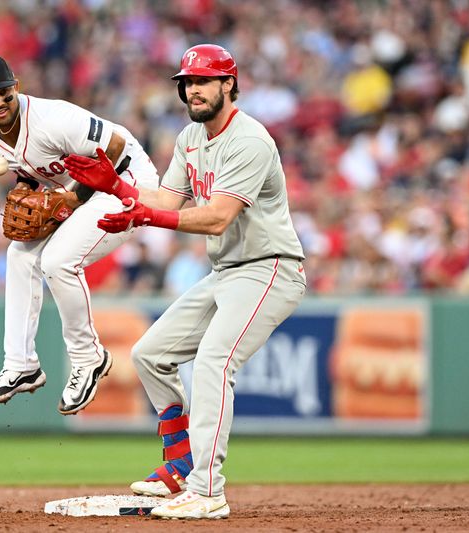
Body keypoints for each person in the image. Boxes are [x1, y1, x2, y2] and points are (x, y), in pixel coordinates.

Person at [65, 44, 306, 519]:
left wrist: (144, 216)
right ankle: (180, 464)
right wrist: (115, 187)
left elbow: (216, 218)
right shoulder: (190, 138)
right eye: (187, 82)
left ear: (229, 85)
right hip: (226, 271)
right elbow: (169, 199)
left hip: (270, 267)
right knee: (150, 354)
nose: (193, 89)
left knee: (214, 362)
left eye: (204, 80)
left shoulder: (250, 140)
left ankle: (208, 491)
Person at [0, 56, 160, 415]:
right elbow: (29, 171)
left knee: (58, 262)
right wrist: (29, 193)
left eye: (3, 93)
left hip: (128, 181)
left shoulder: (52, 119)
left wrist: (73, 199)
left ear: (16, 87)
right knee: (19, 254)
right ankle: (20, 365)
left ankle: (88, 359)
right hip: (80, 185)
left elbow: (115, 147)